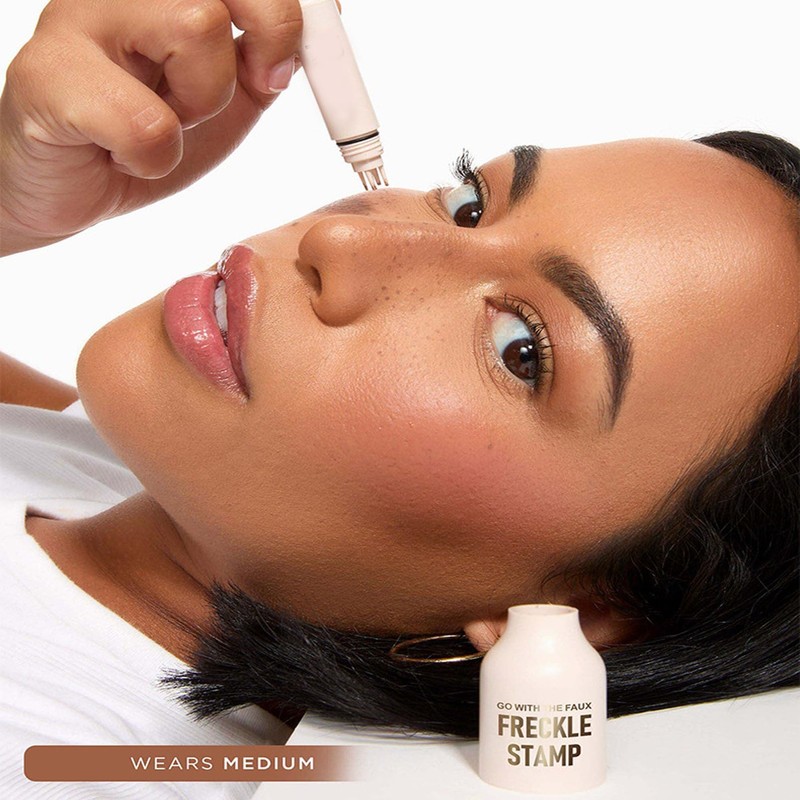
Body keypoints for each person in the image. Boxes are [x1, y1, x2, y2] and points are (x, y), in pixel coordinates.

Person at [1, 0, 797, 784]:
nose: (342, 237)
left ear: (576, 621)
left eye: (520, 350)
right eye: (470, 205)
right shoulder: (93, 471)